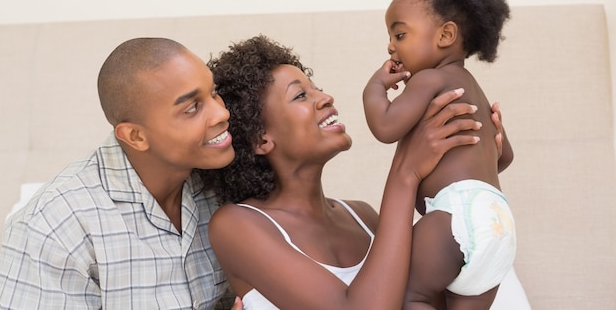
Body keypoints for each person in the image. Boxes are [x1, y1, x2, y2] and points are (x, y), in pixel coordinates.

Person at [199, 35, 506, 310]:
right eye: (300, 96)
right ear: (260, 138)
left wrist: (477, 158)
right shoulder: (236, 226)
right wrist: (405, 172)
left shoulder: (364, 217)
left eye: (316, 89)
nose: (326, 98)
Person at [0, 38, 241, 310]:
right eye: (191, 108)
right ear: (135, 136)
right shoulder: (54, 226)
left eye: (214, 92)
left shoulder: (225, 184)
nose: (221, 112)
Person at [362, 0, 516, 309]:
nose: (390, 47)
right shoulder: (472, 87)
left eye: (399, 35)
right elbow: (502, 157)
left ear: (445, 36)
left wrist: (374, 88)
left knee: (412, 294)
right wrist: (496, 141)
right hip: (498, 222)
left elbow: (385, 127)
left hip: (455, 214)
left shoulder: (430, 80)